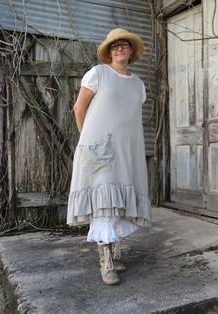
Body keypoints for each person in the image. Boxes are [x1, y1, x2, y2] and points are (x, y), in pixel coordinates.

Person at [67, 28, 152, 285]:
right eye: (114, 46)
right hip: (100, 151)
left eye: (124, 45)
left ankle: (115, 251)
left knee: (120, 202)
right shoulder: (98, 74)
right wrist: (88, 142)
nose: (120, 49)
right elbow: (79, 109)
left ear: (131, 51)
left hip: (128, 152)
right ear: (108, 52)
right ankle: (106, 263)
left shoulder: (139, 85)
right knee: (104, 202)